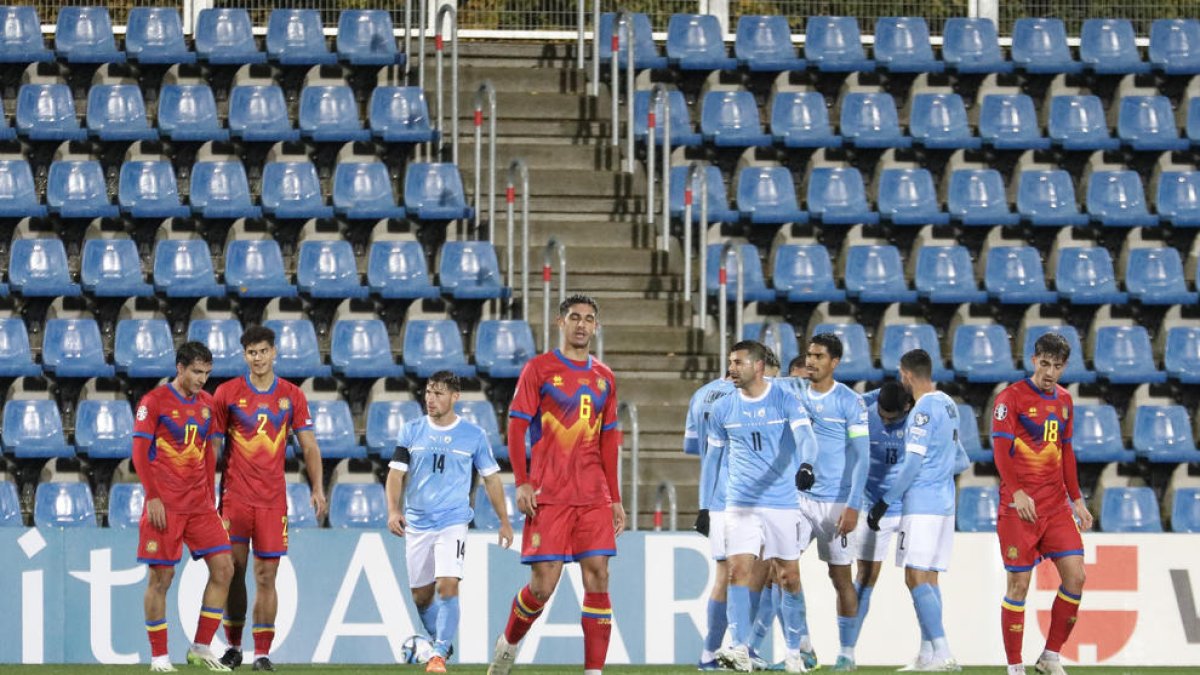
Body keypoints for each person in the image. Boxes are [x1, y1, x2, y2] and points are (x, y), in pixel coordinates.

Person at [488, 295, 624, 675]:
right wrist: (523, 482)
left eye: (589, 319)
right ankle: (508, 646)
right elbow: (516, 427)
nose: (582, 325)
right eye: (575, 317)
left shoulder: (605, 377)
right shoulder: (540, 369)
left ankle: (594, 672)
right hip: (549, 495)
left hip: (593, 496)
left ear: (596, 327)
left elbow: (610, 440)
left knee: (598, 574)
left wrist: (615, 498)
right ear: (559, 322)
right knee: (542, 587)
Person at [211, 326, 327, 672]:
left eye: (263, 351)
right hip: (235, 498)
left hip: (273, 501)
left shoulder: (292, 396)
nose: (258, 358)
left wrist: (317, 488)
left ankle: (261, 653)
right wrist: (204, 489)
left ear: (274, 352)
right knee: (233, 572)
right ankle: (233, 647)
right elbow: (213, 446)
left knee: (266, 576)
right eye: (251, 352)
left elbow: (309, 445)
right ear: (244, 355)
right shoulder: (227, 394)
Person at [387, 371, 515, 673]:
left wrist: (504, 520)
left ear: (455, 397)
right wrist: (393, 510)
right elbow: (395, 474)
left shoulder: (473, 435)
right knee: (421, 595)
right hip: (417, 522)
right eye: (429, 392)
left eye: (439, 393)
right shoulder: (410, 431)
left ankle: (439, 653)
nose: (431, 399)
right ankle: (440, 642)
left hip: (453, 520)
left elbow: (491, 479)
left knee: (447, 585)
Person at [709, 341, 818, 674]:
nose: (731, 368)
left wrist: (807, 465)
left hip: (781, 502)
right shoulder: (723, 408)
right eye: (730, 361)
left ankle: (794, 652)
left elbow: (807, 438)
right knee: (737, 571)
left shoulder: (785, 399)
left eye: (738, 362)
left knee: (788, 577)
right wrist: (707, 504)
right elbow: (712, 461)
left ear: (757, 366)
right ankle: (739, 647)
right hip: (740, 504)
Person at [991, 333, 1093, 675]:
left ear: (1065, 367)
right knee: (1018, 585)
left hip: (1056, 508)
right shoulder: (1011, 398)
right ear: (1034, 360)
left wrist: (1077, 499)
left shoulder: (1065, 401)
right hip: (1018, 510)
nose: (1050, 372)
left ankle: (1050, 656)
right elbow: (1001, 451)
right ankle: (1015, 666)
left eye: (1058, 366)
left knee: (1076, 577)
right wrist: (1017, 491)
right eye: (1045, 363)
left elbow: (1066, 453)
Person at [133, 342, 234, 672]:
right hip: (165, 505)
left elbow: (207, 452)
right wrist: (153, 497)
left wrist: (210, 496)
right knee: (161, 578)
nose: (202, 379)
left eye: (207, 373)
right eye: (196, 372)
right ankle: (159, 656)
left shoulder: (207, 406)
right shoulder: (154, 402)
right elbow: (139, 454)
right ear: (180, 368)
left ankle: (201, 647)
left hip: (199, 505)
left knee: (224, 567)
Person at [866, 349, 969, 672]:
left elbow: (912, 464)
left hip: (921, 504)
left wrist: (884, 502)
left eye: (900, 374)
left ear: (907, 375)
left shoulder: (922, 410)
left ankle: (944, 651)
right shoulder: (949, 404)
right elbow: (962, 460)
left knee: (914, 577)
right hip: (944, 504)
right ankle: (928, 655)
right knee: (930, 579)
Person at [788, 334, 870, 671]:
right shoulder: (793, 393)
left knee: (840, 577)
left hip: (837, 503)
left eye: (819, 356)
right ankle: (803, 647)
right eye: (809, 355)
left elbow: (863, 458)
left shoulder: (850, 403)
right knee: (784, 571)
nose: (811, 361)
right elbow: (759, 381)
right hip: (799, 500)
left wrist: (853, 505)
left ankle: (847, 653)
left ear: (834, 362)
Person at [847, 382, 914, 666]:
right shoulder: (862, 408)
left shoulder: (920, 416)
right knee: (865, 577)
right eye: (882, 416)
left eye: (892, 419)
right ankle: (847, 651)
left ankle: (934, 652)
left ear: (906, 409)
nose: (885, 422)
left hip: (908, 507)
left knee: (921, 579)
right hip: (870, 505)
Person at [684, 370, 735, 670]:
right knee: (739, 575)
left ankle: (721, 651)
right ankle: (718, 651)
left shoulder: (700, 394)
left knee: (732, 574)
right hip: (736, 496)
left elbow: (692, 446)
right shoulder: (746, 397)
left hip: (717, 496)